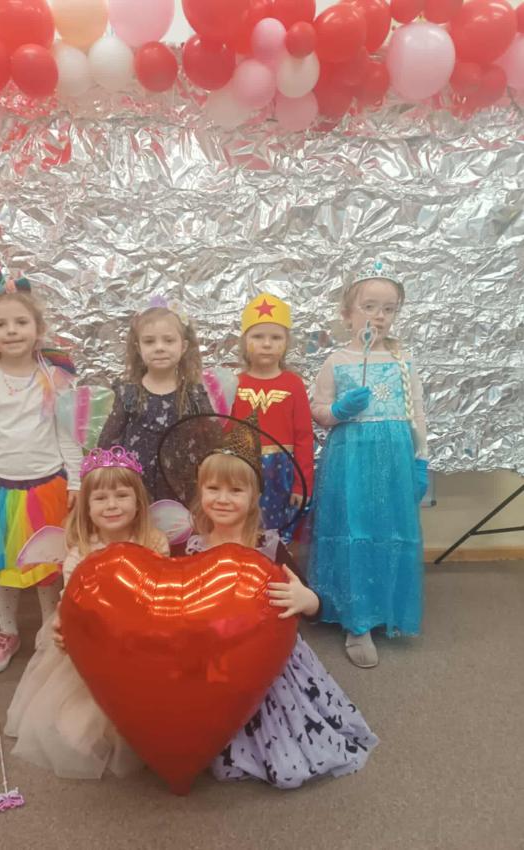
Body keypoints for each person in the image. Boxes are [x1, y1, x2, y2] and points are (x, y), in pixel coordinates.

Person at [170, 413, 378, 788]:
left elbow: (315, 607)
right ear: (200, 491)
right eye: (213, 488)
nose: (222, 499)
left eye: (236, 490)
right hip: (213, 658)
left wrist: (306, 598)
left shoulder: (268, 547)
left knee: (283, 738)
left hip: (267, 660)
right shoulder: (191, 548)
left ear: (254, 498)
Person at [5, 446, 169, 779]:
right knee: (83, 718)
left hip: (142, 634)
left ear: (138, 501)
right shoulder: (81, 552)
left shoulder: (154, 542)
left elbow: (162, 592)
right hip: (95, 638)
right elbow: (72, 602)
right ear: (87, 507)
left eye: (122, 495)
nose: (112, 505)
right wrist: (64, 627)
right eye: (101, 498)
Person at [0, 254, 82, 674]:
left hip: (48, 487)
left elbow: (68, 434)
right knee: (4, 567)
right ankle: (7, 631)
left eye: (21, 322)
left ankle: (49, 630)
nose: (11, 330)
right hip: (2, 490)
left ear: (37, 329)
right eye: (1, 324)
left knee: (48, 566)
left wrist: (77, 481)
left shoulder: (54, 377)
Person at [308, 259, 428, 668]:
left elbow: (417, 414)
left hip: (394, 460)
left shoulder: (403, 360)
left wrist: (420, 460)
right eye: (370, 306)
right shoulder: (337, 361)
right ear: (347, 314)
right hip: (351, 460)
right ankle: (356, 619)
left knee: (390, 530)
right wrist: (338, 410)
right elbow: (319, 410)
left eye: (389, 309)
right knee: (353, 531)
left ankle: (385, 606)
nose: (379, 316)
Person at [98, 298, 213, 505]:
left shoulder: (193, 393)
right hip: (137, 490)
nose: (159, 348)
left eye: (168, 340)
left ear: (184, 346)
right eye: (149, 341)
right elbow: (108, 443)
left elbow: (211, 441)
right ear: (138, 347)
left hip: (183, 488)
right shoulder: (128, 392)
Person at [231, 292, 314, 539]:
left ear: (286, 343)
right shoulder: (234, 384)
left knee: (276, 536)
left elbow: (304, 437)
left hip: (281, 473)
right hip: (242, 471)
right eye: (258, 336)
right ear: (245, 341)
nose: (267, 344)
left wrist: (302, 484)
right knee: (240, 529)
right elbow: (224, 435)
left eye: (276, 337)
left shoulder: (293, 384)